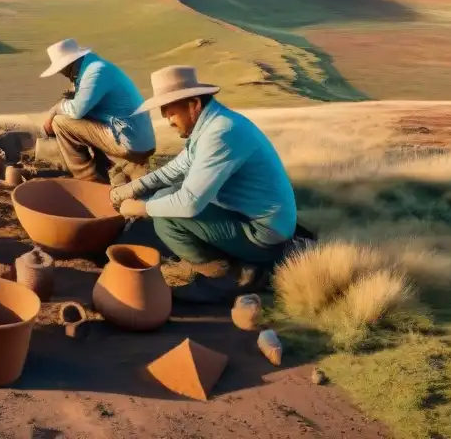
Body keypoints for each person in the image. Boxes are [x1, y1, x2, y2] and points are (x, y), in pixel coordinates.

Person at [111, 65, 298, 302]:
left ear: (194, 104)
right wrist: (133, 188)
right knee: (166, 195)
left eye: (169, 111)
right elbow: (175, 170)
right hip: (253, 219)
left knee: (166, 218)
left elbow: (189, 204)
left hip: (263, 234)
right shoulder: (211, 125)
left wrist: (140, 208)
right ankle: (231, 261)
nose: (166, 119)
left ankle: (225, 277)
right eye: (163, 111)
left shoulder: (220, 133)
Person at [40, 38, 156, 186]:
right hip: (136, 137)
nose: (61, 73)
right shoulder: (93, 67)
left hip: (131, 141)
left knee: (60, 123)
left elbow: (76, 111)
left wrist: (53, 111)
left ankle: (88, 179)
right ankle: (104, 166)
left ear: (69, 63)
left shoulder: (95, 71)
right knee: (85, 116)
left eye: (61, 69)